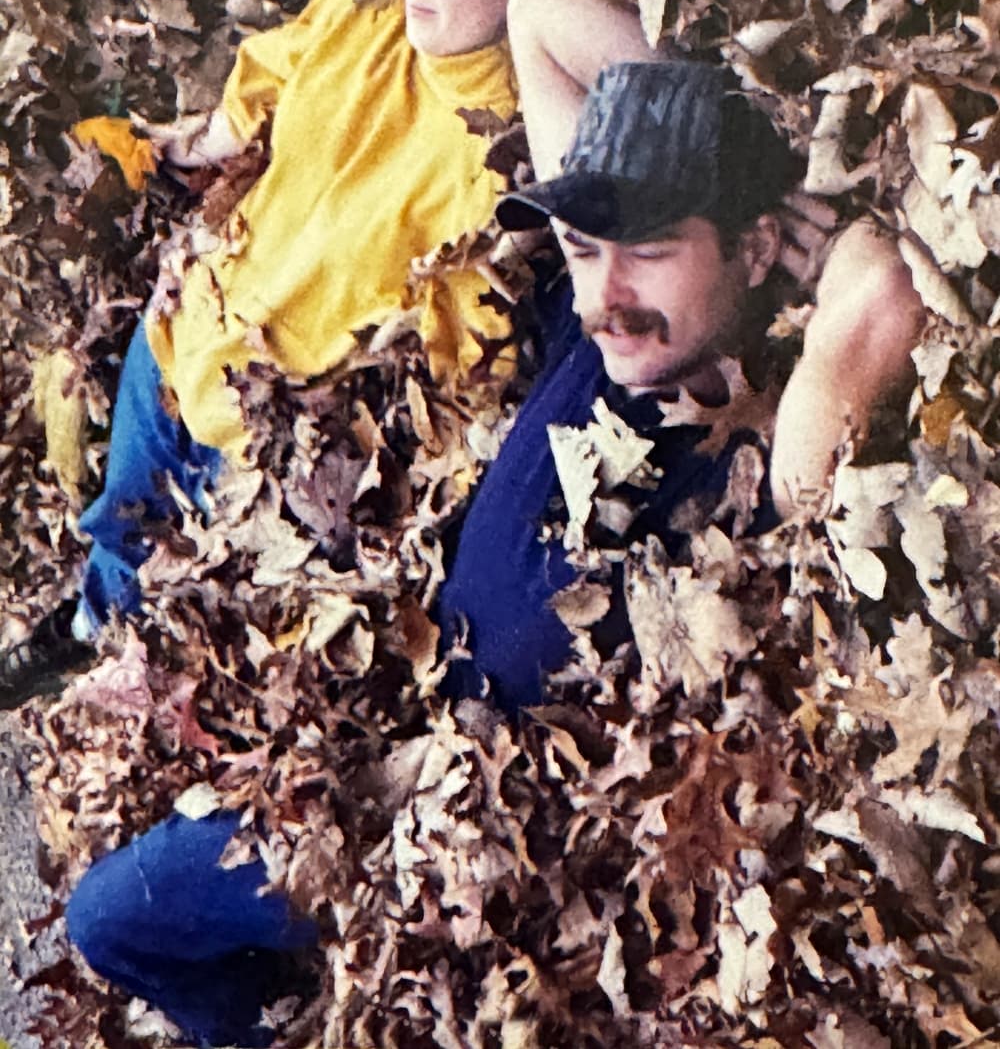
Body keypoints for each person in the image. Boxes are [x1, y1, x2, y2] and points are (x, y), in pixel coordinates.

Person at [63, 57, 926, 1046]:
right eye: (584, 246)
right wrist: (688, 216)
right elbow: (539, 11)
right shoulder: (595, 335)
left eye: (648, 248)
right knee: (119, 921)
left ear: (756, 244)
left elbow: (885, 297)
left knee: (108, 918)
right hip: (384, 765)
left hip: (494, 877)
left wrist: (822, 225)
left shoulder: (752, 459)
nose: (608, 288)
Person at [0, 0, 528, 709]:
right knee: (124, 505)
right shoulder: (364, 14)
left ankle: (125, 657)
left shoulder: (505, 150)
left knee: (179, 582)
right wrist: (174, 157)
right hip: (185, 333)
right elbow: (254, 95)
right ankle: (87, 620)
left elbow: (456, 377)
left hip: (266, 429)